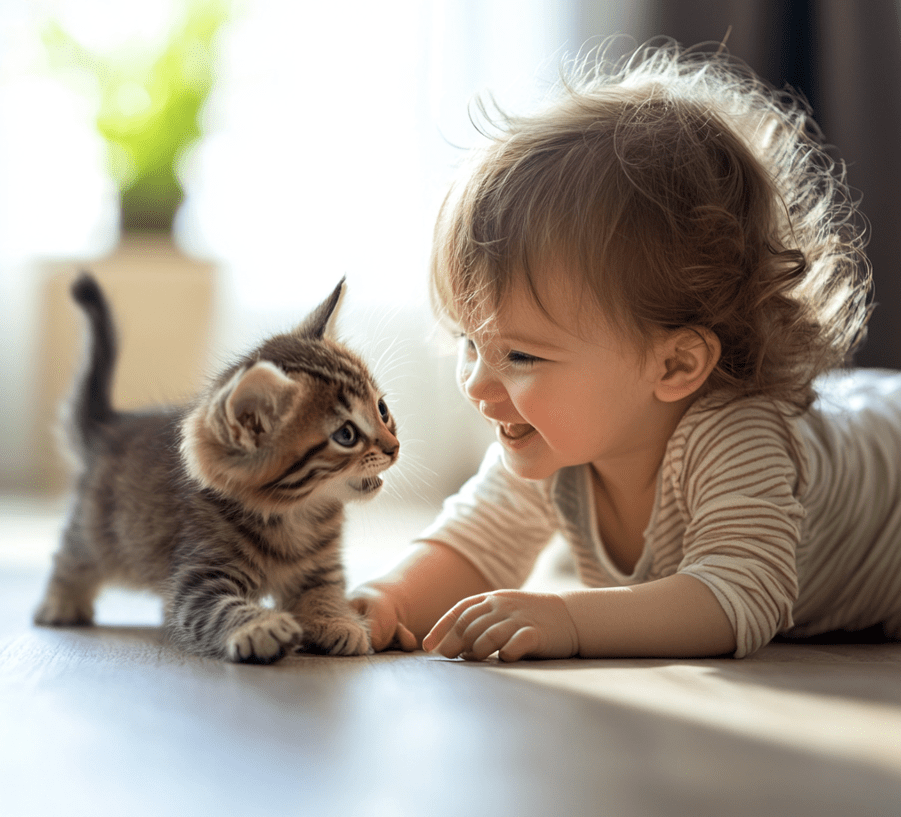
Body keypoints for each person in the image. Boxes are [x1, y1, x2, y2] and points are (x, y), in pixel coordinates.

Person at [349, 39, 901, 661]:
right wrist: (384, 599)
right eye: (470, 342)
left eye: (521, 357)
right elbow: (476, 543)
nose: (477, 383)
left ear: (675, 365)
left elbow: (738, 596)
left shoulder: (736, 436)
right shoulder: (555, 439)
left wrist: (570, 620)